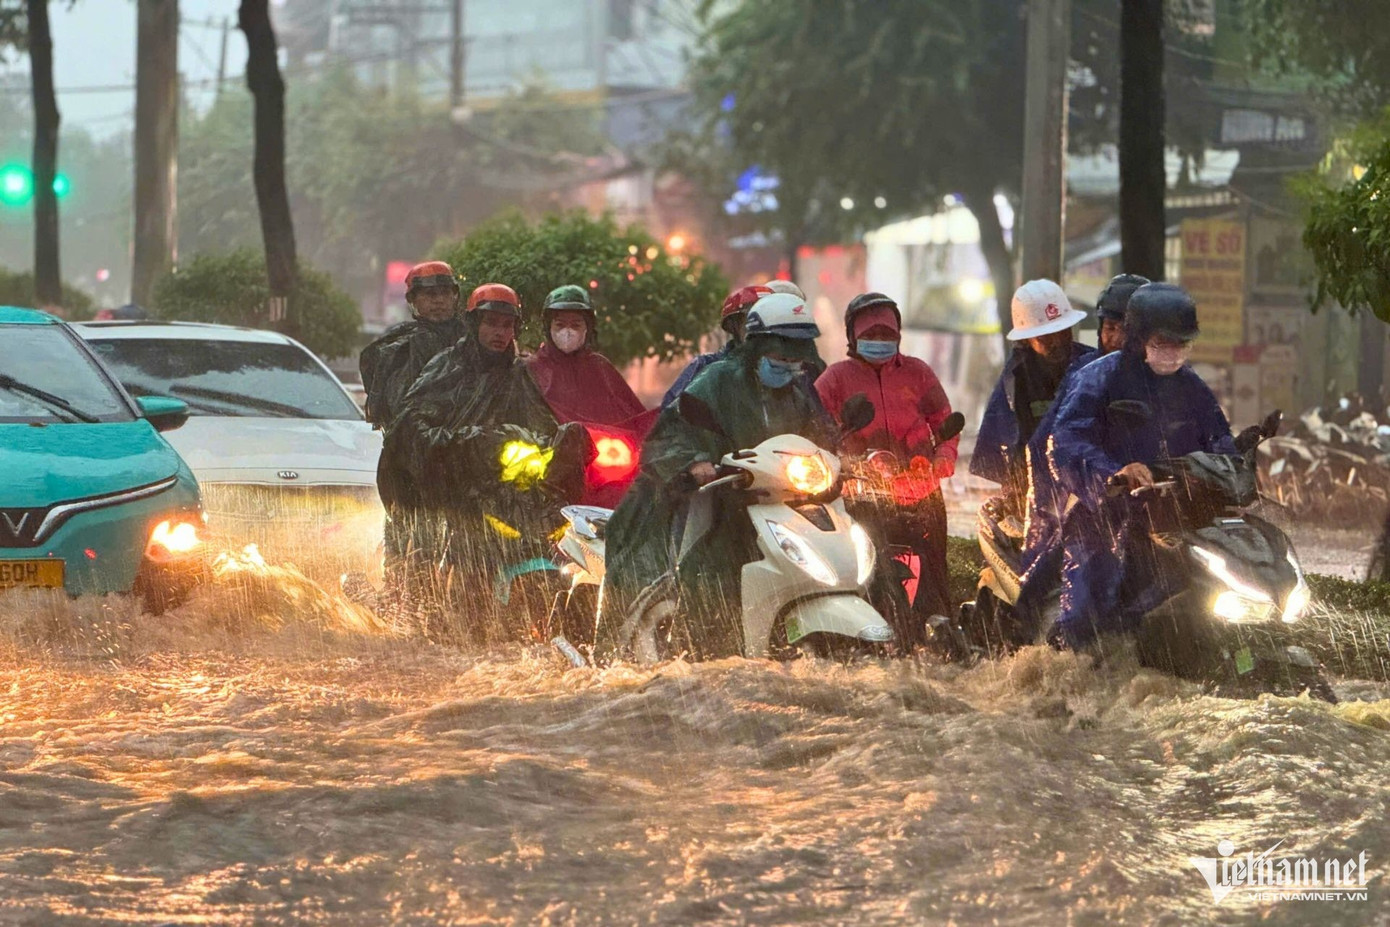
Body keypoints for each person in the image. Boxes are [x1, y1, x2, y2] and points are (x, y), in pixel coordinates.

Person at [600, 291, 837, 657]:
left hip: (777, 504)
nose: (789, 363)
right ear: (757, 346)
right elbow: (669, 432)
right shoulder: (717, 379)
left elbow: (818, 437)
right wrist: (695, 462)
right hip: (719, 500)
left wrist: (839, 461)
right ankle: (699, 650)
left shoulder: (795, 392)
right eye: (781, 353)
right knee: (709, 576)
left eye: (797, 355)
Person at [381, 283, 586, 637]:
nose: (499, 333)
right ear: (474, 324)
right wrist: (469, 445)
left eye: (507, 326)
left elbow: (542, 429)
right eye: (491, 324)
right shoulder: (447, 367)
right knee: (458, 557)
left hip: (502, 489)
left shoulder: (518, 375)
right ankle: (435, 614)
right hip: (445, 490)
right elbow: (412, 431)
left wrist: (560, 448)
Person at [1050, 282, 1238, 649]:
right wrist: (1114, 472)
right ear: (1137, 338)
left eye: (1182, 344)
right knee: (1084, 617)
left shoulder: (1192, 387)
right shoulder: (1097, 378)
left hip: (1173, 520)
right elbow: (1067, 441)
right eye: (1163, 343)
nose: (1173, 352)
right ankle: (1068, 680)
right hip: (1103, 519)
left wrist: (1231, 471)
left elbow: (1219, 440)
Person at [815, 292, 959, 644]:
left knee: (936, 573)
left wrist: (941, 461)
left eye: (887, 337)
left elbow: (944, 422)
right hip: (860, 497)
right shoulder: (835, 379)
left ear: (899, 337)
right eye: (870, 336)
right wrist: (841, 465)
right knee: (866, 572)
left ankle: (944, 630)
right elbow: (813, 430)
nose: (879, 343)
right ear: (852, 337)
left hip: (920, 493)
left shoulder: (918, 374)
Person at [1012, 273, 1149, 630]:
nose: (1116, 338)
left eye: (1127, 329)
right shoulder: (1083, 377)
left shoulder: (1171, 379)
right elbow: (1060, 444)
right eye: (1110, 328)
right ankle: (1068, 655)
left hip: (1148, 506)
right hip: (1087, 505)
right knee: (1084, 602)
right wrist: (1107, 475)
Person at [970, 279, 1094, 512]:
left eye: (1062, 332)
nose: (1057, 342)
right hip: (1034, 489)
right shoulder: (1017, 379)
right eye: (1046, 336)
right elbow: (1008, 445)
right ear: (1027, 338)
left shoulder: (1092, 366)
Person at [527, 285, 653, 506]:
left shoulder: (600, 368)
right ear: (548, 327)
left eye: (575, 325)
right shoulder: (529, 369)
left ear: (588, 328)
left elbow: (636, 420)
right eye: (560, 324)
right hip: (548, 475)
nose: (568, 331)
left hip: (604, 478)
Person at [359, 261, 466, 430]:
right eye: (430, 294)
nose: (439, 300)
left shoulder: (473, 340)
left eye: (445, 293)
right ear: (413, 300)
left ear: (454, 296)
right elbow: (399, 409)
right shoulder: (399, 348)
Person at [661, 285, 770, 408]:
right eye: (752, 324)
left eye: (771, 324)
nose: (762, 333)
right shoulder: (705, 367)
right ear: (734, 326)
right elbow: (669, 417)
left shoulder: (789, 372)